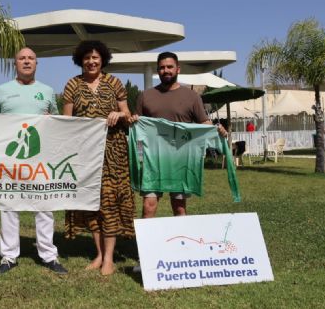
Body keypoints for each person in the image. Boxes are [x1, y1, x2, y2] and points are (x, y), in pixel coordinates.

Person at [0, 47, 68, 275]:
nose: (26, 61)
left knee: (44, 205)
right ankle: (9, 256)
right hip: (10, 159)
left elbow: (55, 121)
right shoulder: (2, 91)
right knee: (9, 205)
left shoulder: (48, 91)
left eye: (30, 58)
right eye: (21, 58)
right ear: (15, 63)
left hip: (40, 159)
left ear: (36, 63)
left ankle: (48, 255)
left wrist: (50, 120)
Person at [62, 40, 135, 276]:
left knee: (110, 202)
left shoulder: (114, 83)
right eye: (86, 58)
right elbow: (67, 122)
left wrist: (119, 113)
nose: (91, 62)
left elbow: (128, 114)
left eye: (95, 58)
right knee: (91, 203)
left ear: (102, 59)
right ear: (80, 61)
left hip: (113, 153)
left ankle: (109, 259)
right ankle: (99, 253)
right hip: (86, 153)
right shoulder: (73, 85)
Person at [134, 51, 227, 218]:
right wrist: (139, 155)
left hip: (180, 159)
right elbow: (138, 129)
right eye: (162, 68)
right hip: (153, 160)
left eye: (170, 67)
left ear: (178, 69)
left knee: (179, 207)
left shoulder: (192, 96)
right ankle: (146, 244)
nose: (166, 70)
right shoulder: (145, 96)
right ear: (158, 70)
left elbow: (204, 124)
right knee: (148, 206)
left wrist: (217, 130)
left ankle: (181, 243)